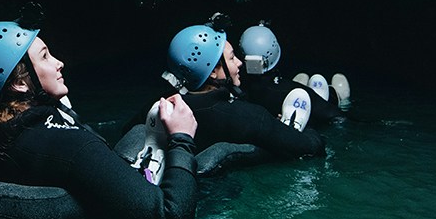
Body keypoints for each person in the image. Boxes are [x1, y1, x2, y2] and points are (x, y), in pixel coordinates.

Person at [0, 19, 200, 219]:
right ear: (19, 83)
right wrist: (182, 138)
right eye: (45, 56)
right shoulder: (73, 146)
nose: (60, 62)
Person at [137, 20, 326, 171]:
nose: (239, 63)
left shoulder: (156, 108)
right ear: (212, 72)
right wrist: (308, 130)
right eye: (232, 57)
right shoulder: (249, 117)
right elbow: (311, 147)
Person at [236, 22, 349, 125]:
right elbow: (338, 116)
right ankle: (338, 98)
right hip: (309, 106)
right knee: (309, 97)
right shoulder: (285, 90)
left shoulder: (236, 87)